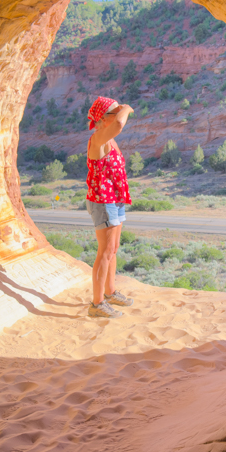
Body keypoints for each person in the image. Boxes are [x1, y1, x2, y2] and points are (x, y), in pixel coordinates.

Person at [84, 96, 135, 318]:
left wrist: (120, 110)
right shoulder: (98, 138)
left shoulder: (110, 140)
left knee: (112, 249)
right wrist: (128, 107)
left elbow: (117, 125)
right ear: (104, 118)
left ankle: (110, 291)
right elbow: (120, 124)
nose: (121, 114)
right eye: (115, 112)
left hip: (114, 198)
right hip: (102, 200)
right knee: (105, 252)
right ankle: (97, 304)